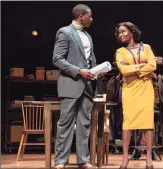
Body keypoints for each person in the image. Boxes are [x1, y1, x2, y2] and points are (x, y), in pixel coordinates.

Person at [52, 4, 97, 169]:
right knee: (65, 124)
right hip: (71, 84)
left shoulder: (88, 36)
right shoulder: (65, 32)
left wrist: (96, 72)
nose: (92, 19)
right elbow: (57, 59)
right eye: (90, 16)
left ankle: (83, 160)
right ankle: (61, 161)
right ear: (81, 16)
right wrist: (79, 71)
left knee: (84, 124)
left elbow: (90, 60)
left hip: (87, 86)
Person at [115, 22, 157, 169]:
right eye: (119, 33)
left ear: (131, 32)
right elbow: (123, 70)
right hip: (129, 89)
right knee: (128, 123)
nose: (120, 35)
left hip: (146, 88)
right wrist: (141, 68)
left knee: (147, 123)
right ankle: (125, 158)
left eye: (123, 32)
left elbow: (153, 65)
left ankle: (149, 159)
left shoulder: (146, 48)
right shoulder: (120, 51)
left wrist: (134, 70)